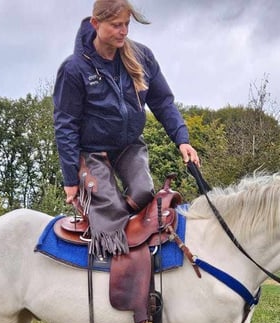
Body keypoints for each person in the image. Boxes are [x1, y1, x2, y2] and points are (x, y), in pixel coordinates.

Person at [53, 0, 200, 259]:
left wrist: (182, 139)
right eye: (116, 25)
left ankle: (133, 239)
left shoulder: (141, 56)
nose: (124, 31)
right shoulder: (74, 69)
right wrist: (70, 180)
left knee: (144, 192)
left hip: (129, 144)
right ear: (96, 24)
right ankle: (104, 270)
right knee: (110, 213)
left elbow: (163, 102)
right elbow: (65, 125)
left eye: (127, 24)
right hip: (91, 152)